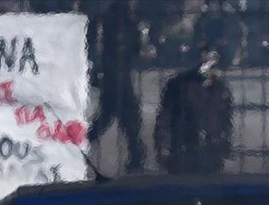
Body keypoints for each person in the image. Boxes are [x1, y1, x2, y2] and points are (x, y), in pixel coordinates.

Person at [87, 0, 148, 173]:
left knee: (112, 118)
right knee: (124, 118)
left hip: (113, 75)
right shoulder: (123, 22)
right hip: (117, 76)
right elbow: (132, 49)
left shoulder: (107, 20)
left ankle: (136, 157)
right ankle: (136, 158)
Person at [154, 46, 234, 176]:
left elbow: (225, 121)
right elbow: (164, 117)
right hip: (183, 151)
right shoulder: (179, 85)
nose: (207, 60)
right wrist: (162, 147)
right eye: (205, 55)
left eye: (212, 57)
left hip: (210, 154)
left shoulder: (220, 89)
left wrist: (224, 148)